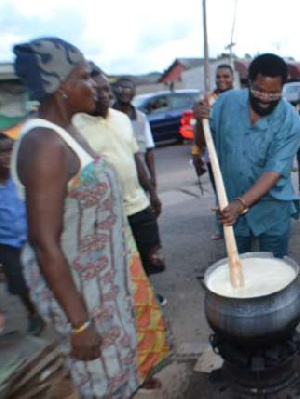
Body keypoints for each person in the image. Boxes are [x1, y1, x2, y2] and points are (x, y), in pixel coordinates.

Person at [12, 37, 170, 398]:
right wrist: (79, 323)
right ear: (64, 88)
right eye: (86, 77)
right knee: (100, 382)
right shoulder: (44, 145)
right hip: (80, 294)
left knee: (118, 374)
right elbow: (43, 241)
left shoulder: (70, 131)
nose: (98, 86)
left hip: (103, 286)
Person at [73, 67, 168, 304]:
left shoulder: (122, 119)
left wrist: (152, 192)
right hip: (107, 213)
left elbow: (136, 157)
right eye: (97, 90)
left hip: (138, 204)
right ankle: (126, 300)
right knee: (118, 260)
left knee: (150, 255)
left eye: (106, 89)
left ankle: (146, 295)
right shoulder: (75, 126)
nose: (104, 95)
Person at [193, 53, 300, 258]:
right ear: (249, 82)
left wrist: (241, 204)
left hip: (272, 208)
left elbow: (275, 169)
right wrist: (199, 122)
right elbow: (202, 142)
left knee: (273, 269)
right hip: (230, 204)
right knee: (237, 265)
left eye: (274, 93)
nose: (265, 99)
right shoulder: (226, 103)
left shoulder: (290, 119)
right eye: (259, 90)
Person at [0, 131, 45, 335]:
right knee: (19, 283)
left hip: (34, 237)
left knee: (49, 274)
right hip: (7, 243)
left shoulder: (24, 175)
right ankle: (33, 313)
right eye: (2, 153)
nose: (8, 156)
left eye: (11, 151)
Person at [193, 64, 235, 240]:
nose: (221, 80)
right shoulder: (207, 100)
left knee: (238, 191)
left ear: (233, 78)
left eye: (226, 76)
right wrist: (196, 152)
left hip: (235, 155)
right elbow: (199, 130)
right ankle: (222, 226)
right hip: (214, 157)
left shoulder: (239, 98)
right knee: (220, 192)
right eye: (218, 77)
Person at [112, 77, 157, 188]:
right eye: (120, 89)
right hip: (115, 176)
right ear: (114, 91)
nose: (124, 92)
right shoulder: (106, 116)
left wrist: (152, 176)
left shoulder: (140, 118)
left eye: (128, 89)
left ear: (134, 93)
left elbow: (148, 149)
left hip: (139, 175)